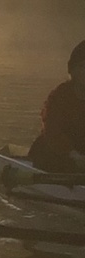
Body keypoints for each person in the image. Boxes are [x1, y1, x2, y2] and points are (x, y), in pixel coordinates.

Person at [28, 40, 85, 176]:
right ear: (72, 70)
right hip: (57, 153)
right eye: (82, 67)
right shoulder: (60, 96)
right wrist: (74, 155)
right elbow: (52, 131)